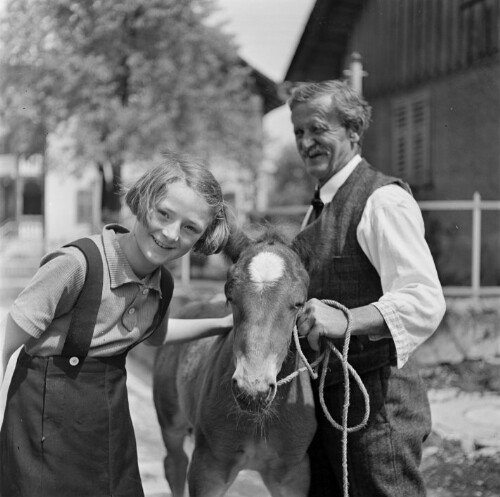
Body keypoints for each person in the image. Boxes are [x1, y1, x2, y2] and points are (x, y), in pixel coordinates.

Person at [0, 154, 233, 497]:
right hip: (41, 419)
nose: (171, 234)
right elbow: (5, 345)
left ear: (201, 238)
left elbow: (156, 334)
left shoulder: (162, 285)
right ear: (142, 202)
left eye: (190, 228)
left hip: (107, 421)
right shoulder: (77, 265)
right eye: (164, 214)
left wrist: (224, 324)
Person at [290, 80, 446, 497]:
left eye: (319, 129)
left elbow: (423, 299)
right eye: (299, 132)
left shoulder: (382, 201)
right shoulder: (318, 207)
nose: (307, 142)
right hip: (328, 403)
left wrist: (344, 319)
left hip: (379, 407)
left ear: (354, 131)